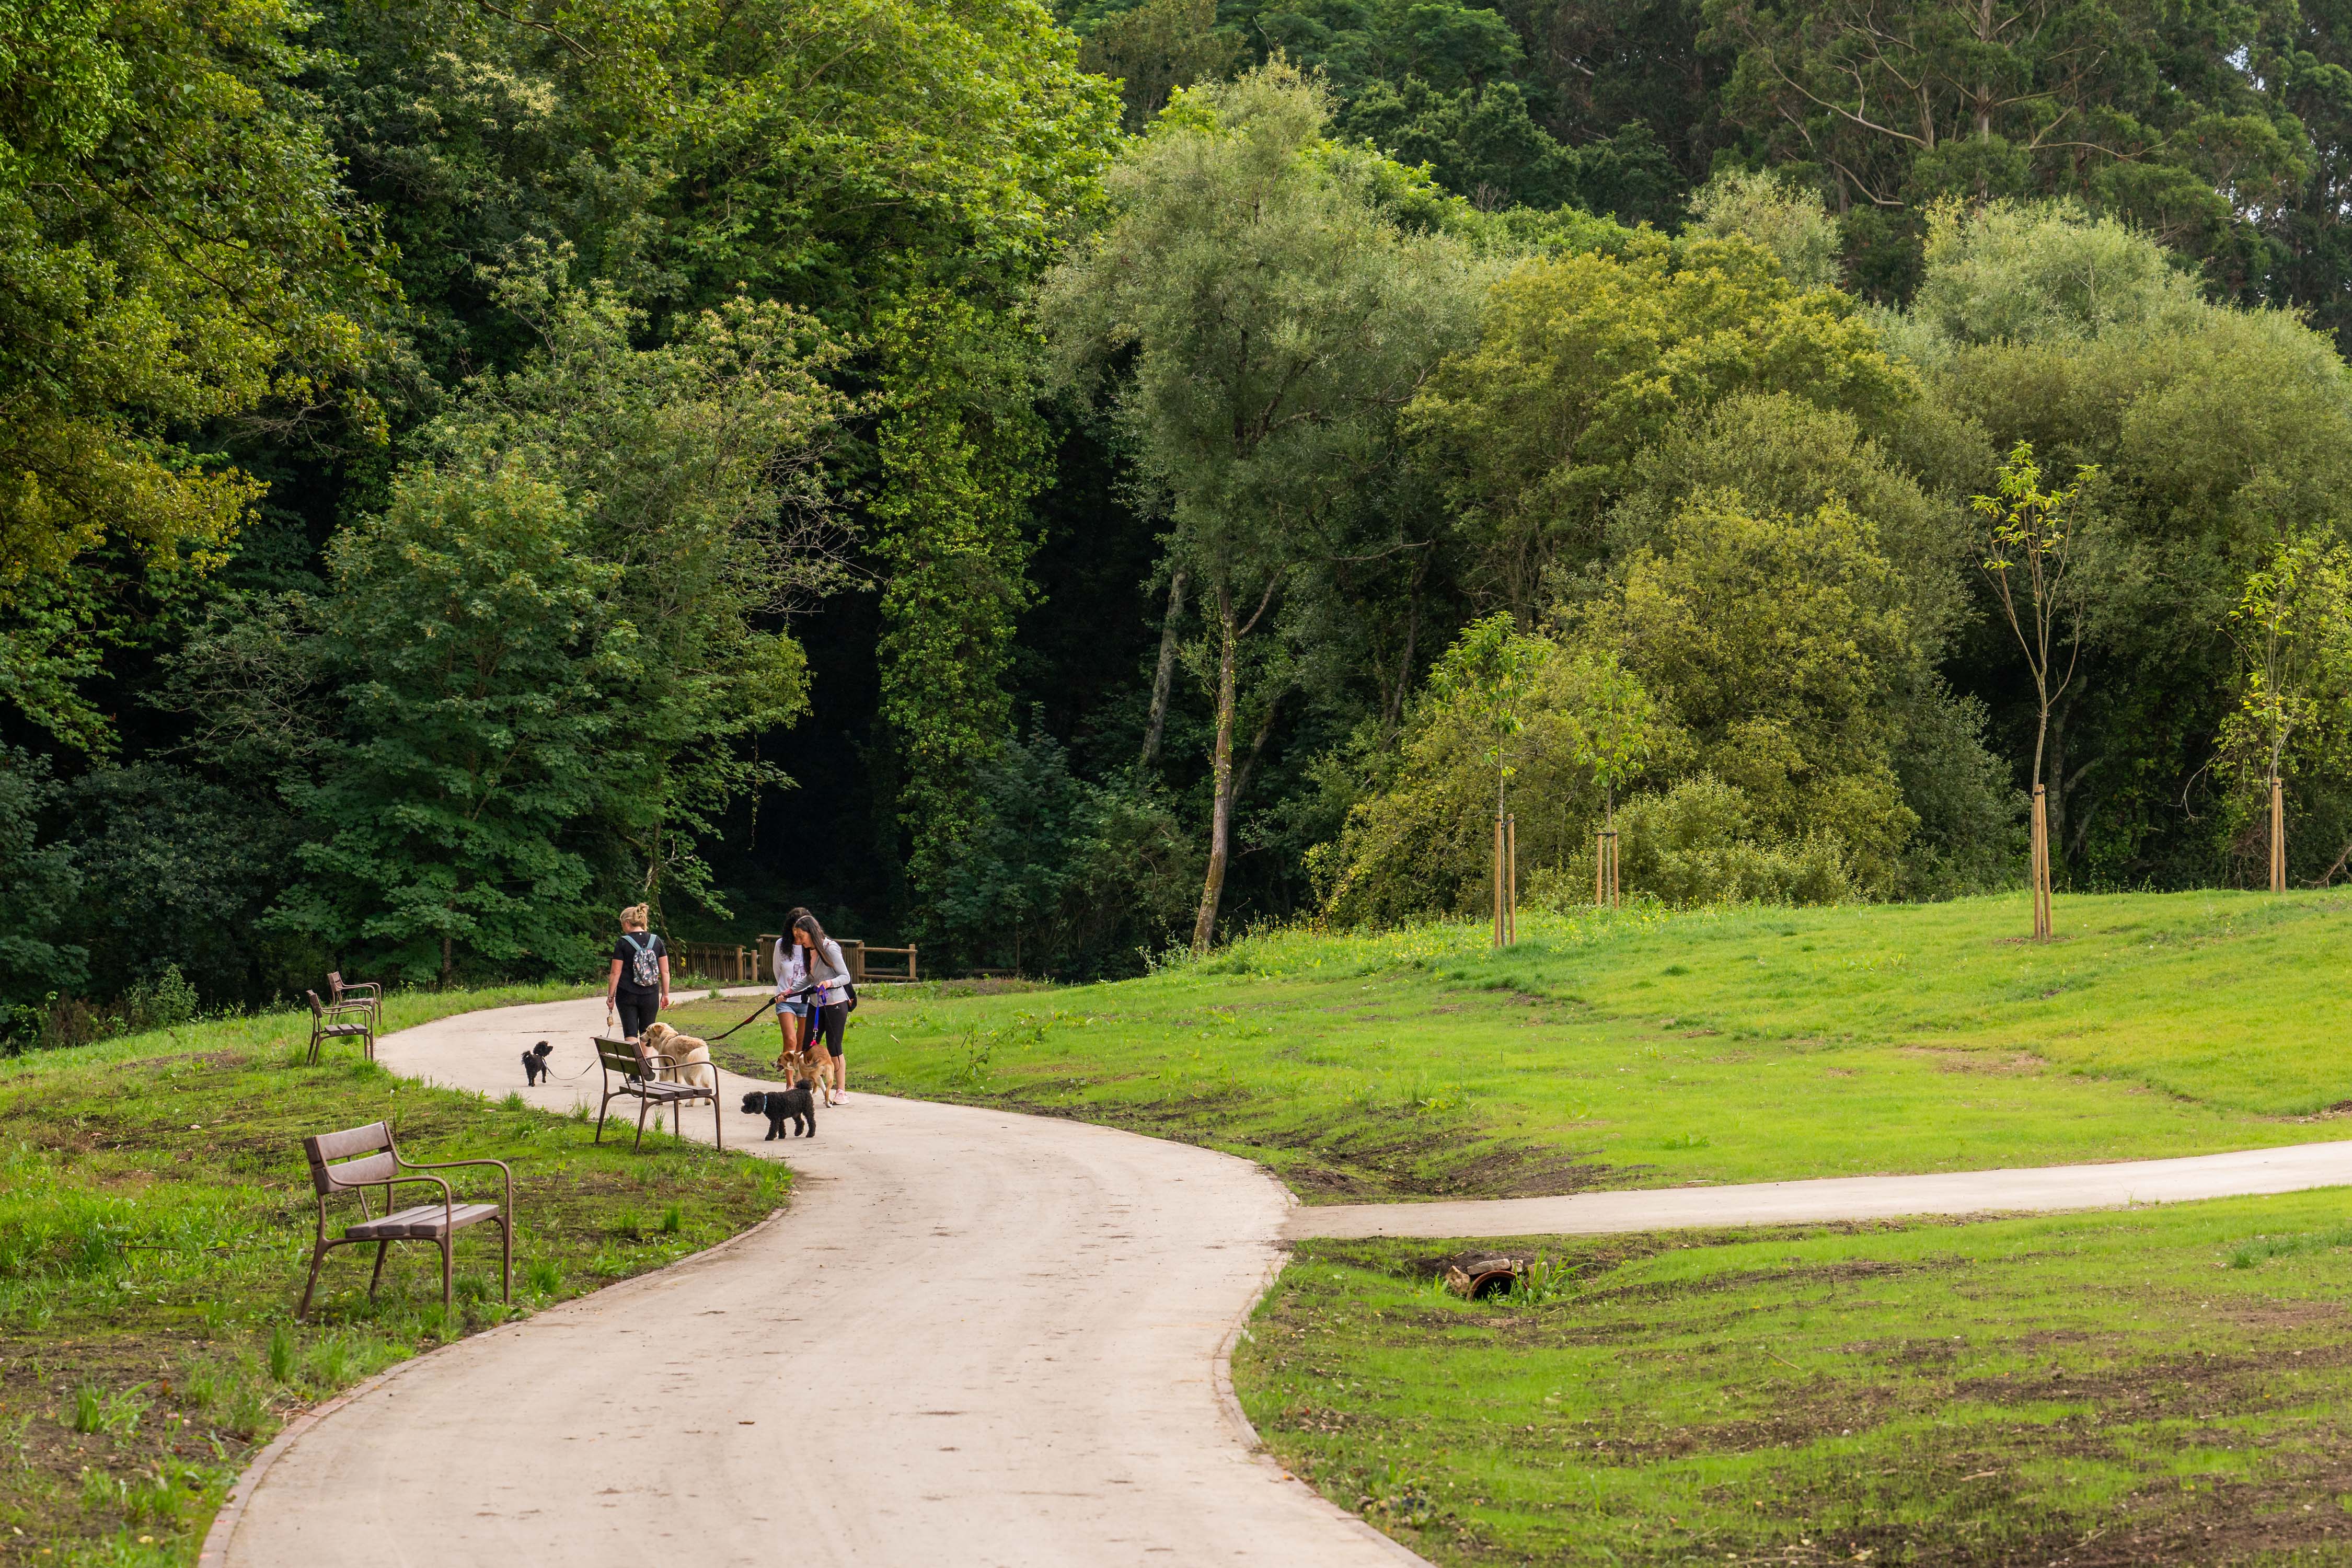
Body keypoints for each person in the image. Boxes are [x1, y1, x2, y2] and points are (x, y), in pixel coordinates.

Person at [791, 910, 852, 1106]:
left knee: (834, 1048)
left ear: (812, 932)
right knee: (808, 1047)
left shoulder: (830, 948)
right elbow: (810, 978)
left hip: (835, 1004)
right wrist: (789, 991)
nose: (799, 941)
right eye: (797, 938)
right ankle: (804, 1087)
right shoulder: (809, 951)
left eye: (801, 936)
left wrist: (828, 983)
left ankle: (840, 1091)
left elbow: (845, 977)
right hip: (816, 1004)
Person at [606, 904, 668, 1041]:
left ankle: (634, 1061)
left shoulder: (622, 942)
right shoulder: (656, 941)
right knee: (649, 1034)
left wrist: (611, 996)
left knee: (630, 1032)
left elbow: (615, 973)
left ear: (627, 923)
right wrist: (665, 995)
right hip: (651, 994)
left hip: (627, 995)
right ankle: (647, 1062)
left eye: (622, 924)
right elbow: (665, 972)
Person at [771, 924, 810, 1071]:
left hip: (806, 999)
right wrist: (785, 990)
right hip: (786, 999)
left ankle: (800, 1080)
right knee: (790, 1040)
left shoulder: (811, 945)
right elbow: (777, 970)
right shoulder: (781, 945)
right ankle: (789, 1083)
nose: (797, 933)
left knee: (801, 1044)